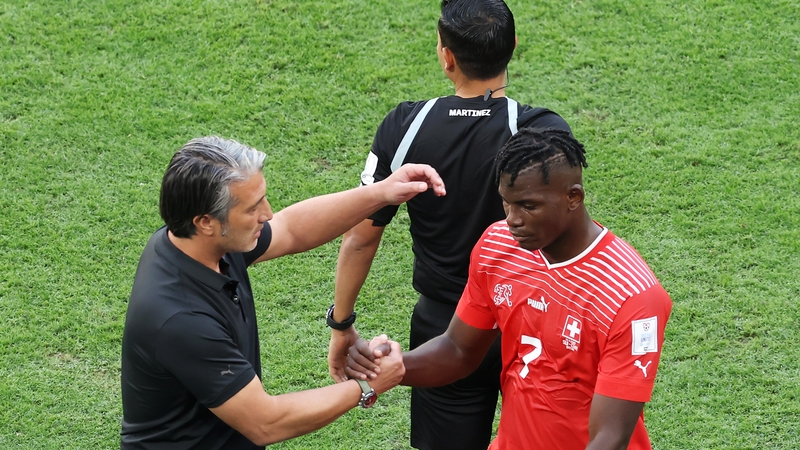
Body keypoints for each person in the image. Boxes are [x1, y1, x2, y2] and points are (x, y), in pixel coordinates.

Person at [326, 1, 571, 448]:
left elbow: (360, 238)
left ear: (447, 56)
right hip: (530, 324)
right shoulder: (543, 132)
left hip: (442, 328)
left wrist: (342, 324)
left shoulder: (404, 127)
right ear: (513, 46)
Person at [347, 128, 673, 450]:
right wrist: (394, 367)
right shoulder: (497, 246)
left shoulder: (631, 296)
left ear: (573, 197)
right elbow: (458, 350)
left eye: (529, 206)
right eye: (507, 202)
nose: (513, 220)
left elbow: (610, 438)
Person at [120, 136, 445, 449]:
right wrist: (367, 385)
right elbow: (265, 422)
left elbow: (291, 229)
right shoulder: (181, 319)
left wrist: (382, 192)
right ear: (205, 222)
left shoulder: (196, 244)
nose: (267, 214)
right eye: (252, 208)